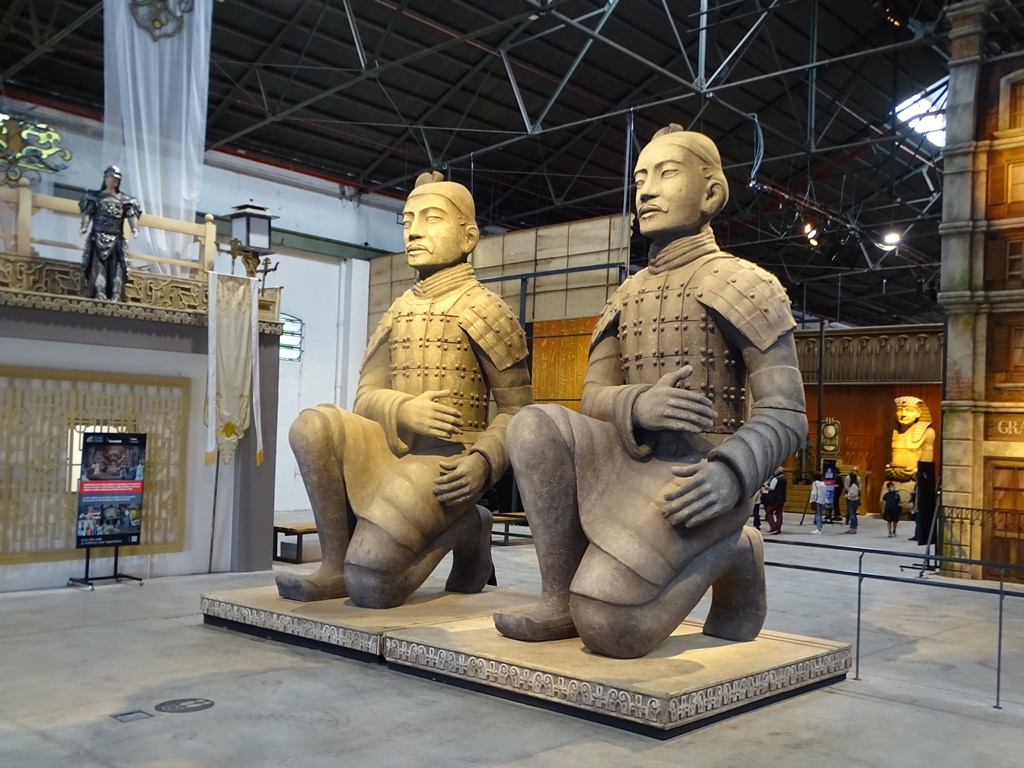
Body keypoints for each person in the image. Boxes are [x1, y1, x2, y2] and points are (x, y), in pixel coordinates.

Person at [492, 125, 807, 659]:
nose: (647, 191)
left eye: (666, 174)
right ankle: (557, 595)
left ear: (711, 193)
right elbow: (592, 396)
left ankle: (735, 550)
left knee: (608, 623)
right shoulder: (627, 293)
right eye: (640, 179)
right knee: (532, 424)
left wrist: (732, 474)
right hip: (628, 457)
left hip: (698, 478)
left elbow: (786, 412)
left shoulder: (744, 283)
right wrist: (638, 404)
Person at [275, 172, 533, 608]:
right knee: (312, 425)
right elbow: (365, 395)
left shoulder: (486, 309)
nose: (413, 231)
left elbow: (519, 411)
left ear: (469, 237)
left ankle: (469, 527)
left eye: (431, 218)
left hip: (445, 464)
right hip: (388, 448)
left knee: (372, 584)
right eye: (408, 220)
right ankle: (334, 565)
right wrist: (402, 408)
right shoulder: (399, 309)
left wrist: (483, 463)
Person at [78, 165, 141, 301]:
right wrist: (84, 226)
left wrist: (134, 228)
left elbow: (131, 214)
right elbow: (88, 212)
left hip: (116, 237)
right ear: (105, 179)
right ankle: (99, 292)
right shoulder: (95, 197)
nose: (112, 181)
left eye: (115, 179)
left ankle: (116, 293)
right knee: (98, 266)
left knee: (118, 267)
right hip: (98, 236)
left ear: (118, 182)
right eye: (110, 178)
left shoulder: (125, 200)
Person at [763, 467, 788, 536]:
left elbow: (772, 488)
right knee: (779, 513)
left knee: (769, 512)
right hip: (782, 498)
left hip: (774, 499)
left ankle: (773, 527)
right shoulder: (784, 479)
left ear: (777, 471)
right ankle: (778, 528)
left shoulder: (775, 479)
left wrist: (766, 487)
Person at [844, 468, 861, 534]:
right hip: (852, 500)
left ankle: (854, 528)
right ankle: (851, 527)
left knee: (853, 515)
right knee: (852, 515)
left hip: (853, 501)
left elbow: (854, 494)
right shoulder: (854, 484)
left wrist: (847, 495)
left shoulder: (854, 485)